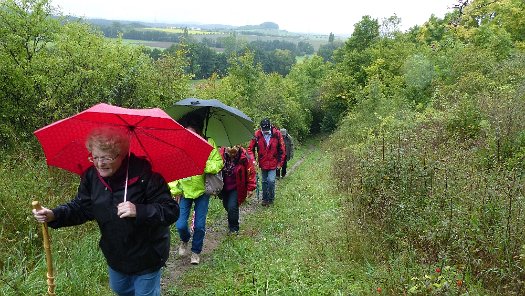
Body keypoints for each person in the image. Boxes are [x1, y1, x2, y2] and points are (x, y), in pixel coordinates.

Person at [32, 126, 180, 296]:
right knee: (120, 289)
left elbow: (170, 210)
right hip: (116, 253)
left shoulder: (146, 176)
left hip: (147, 254)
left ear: (121, 154)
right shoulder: (91, 177)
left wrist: (139, 210)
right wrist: (54, 214)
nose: (100, 163)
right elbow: (81, 208)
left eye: (106, 157)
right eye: (95, 157)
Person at [169, 112, 224, 265]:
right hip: (185, 191)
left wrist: (204, 164)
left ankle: (195, 251)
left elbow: (218, 163)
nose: (189, 137)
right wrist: (175, 190)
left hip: (202, 190)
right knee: (180, 224)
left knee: (199, 225)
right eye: (186, 133)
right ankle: (185, 239)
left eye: (192, 133)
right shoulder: (180, 145)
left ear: (198, 131)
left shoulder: (208, 143)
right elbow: (173, 168)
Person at [218, 145, 256, 234]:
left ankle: (234, 228)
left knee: (232, 207)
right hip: (224, 187)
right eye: (230, 153)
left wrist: (250, 188)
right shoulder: (221, 154)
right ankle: (233, 218)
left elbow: (251, 171)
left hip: (237, 187)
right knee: (227, 205)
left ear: (238, 148)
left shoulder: (243, 156)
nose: (232, 155)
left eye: (234, 153)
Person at [248, 118, 285, 206]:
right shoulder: (257, 134)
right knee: (264, 182)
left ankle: (271, 198)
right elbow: (250, 149)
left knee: (271, 181)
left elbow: (282, 149)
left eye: (267, 129)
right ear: (261, 128)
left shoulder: (277, 134)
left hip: (273, 162)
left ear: (270, 126)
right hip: (263, 162)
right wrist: (253, 161)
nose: (265, 131)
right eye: (263, 129)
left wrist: (280, 163)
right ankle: (265, 199)